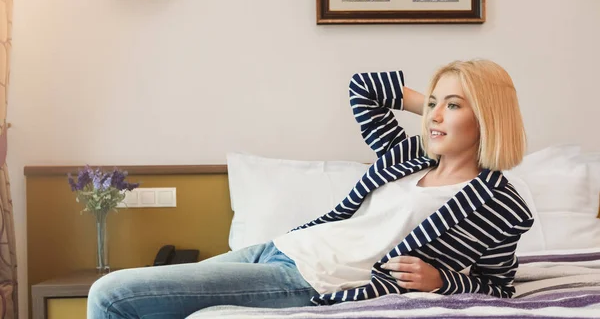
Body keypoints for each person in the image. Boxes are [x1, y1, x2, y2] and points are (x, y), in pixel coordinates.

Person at [88, 59, 533, 318]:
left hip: (307, 278)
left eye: (453, 106)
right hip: (277, 248)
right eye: (434, 105)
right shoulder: (408, 155)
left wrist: (443, 280)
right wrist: (435, 101)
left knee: (110, 296)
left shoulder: (496, 201)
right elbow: (364, 89)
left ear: (488, 117)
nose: (435, 116)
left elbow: (498, 286)